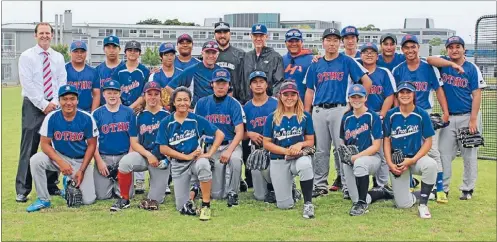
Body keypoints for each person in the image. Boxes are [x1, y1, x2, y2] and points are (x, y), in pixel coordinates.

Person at [303, 28, 372, 199]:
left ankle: (347, 185)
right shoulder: (315, 64)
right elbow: (310, 90)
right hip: (319, 109)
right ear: (323, 42)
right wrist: (306, 113)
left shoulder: (347, 61)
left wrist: (356, 104)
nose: (332, 43)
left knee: (342, 149)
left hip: (341, 108)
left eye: (335, 40)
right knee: (321, 150)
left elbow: (366, 81)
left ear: (339, 43)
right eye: (329, 40)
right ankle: (320, 185)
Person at [426, 36, 486, 201]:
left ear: (463, 49)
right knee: (444, 153)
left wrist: (473, 119)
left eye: (458, 46)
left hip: (468, 116)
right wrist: (451, 64)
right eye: (451, 47)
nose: (454, 50)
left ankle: (467, 189)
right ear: (447, 50)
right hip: (449, 117)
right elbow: (430, 59)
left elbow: (477, 94)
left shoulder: (471, 68)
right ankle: (443, 188)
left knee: (469, 154)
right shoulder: (444, 64)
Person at [392, 34, 450, 203]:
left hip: (424, 113)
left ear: (418, 48)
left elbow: (439, 90)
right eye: (406, 47)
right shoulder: (398, 69)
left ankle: (440, 189)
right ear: (402, 50)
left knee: (432, 151)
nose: (410, 50)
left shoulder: (428, 67)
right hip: (404, 114)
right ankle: (409, 184)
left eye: (413, 47)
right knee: (405, 148)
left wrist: (445, 111)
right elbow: (396, 95)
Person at [26, 85, 98, 212]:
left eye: (72, 99)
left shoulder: (87, 117)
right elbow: (44, 144)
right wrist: (61, 162)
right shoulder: (52, 117)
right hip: (59, 156)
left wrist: (82, 170)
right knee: (36, 160)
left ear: (77, 101)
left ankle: (68, 181)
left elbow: (92, 145)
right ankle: (43, 199)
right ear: (59, 101)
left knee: (88, 200)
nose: (68, 102)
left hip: (80, 160)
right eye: (64, 99)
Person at [157, 87, 225, 221]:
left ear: (190, 102)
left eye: (186, 100)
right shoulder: (166, 122)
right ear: (174, 103)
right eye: (179, 100)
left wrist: (210, 153)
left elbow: (220, 134)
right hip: (178, 164)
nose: (183, 103)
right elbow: (163, 149)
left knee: (204, 164)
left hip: (195, 160)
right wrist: (185, 156)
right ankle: (195, 189)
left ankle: (206, 206)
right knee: (181, 206)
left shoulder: (196, 119)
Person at [16, 22, 65, 203]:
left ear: (52, 35)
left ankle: (52, 185)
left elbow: (61, 80)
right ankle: (23, 189)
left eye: (48, 33)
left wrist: (53, 103)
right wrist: (42, 103)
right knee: (29, 147)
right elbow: (27, 83)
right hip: (33, 106)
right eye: (41, 33)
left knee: (54, 146)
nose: (45, 36)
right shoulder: (26, 56)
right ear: (35, 35)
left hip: (54, 106)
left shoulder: (58, 57)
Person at [110, 81, 171, 211]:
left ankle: (156, 182)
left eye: (156, 94)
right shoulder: (138, 116)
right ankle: (124, 198)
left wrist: (167, 158)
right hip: (144, 155)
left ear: (160, 96)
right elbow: (134, 143)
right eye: (149, 94)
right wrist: (148, 155)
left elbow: (172, 142)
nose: (153, 97)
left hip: (161, 159)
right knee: (125, 162)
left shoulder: (168, 116)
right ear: (144, 96)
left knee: (156, 200)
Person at [383, 82, 438, 219]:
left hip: (415, 159)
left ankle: (423, 204)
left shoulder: (422, 114)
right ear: (397, 95)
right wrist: (390, 164)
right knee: (403, 204)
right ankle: (417, 194)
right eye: (402, 92)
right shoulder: (391, 115)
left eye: (409, 92)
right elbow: (386, 141)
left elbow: (428, 141)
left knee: (431, 165)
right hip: (398, 162)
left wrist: (413, 160)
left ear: (414, 95)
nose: (405, 95)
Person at [263, 81, 315, 219]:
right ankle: (292, 190)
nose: (289, 98)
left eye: (293, 94)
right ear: (280, 96)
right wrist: (285, 151)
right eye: (286, 94)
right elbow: (266, 143)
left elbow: (311, 141)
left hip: (298, 157)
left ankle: (308, 203)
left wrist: (300, 144)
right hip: (279, 159)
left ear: (298, 96)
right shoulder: (272, 118)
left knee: (305, 164)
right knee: (284, 205)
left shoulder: (305, 116)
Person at [194, 69, 245, 207]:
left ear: (229, 85)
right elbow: (196, 130)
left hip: (230, 144)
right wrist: (200, 150)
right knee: (217, 194)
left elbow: (240, 132)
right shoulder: (202, 103)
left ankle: (233, 192)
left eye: (224, 83)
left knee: (235, 159)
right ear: (212, 84)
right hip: (212, 147)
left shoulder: (234, 104)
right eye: (218, 83)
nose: (221, 86)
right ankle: (200, 185)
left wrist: (229, 151)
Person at [340, 84, 393, 216]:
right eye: (353, 97)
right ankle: (379, 193)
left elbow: (376, 146)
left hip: (372, 159)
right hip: (352, 159)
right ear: (349, 99)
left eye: (359, 97)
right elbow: (342, 141)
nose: (356, 100)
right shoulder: (346, 117)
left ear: (365, 98)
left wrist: (356, 157)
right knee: (354, 198)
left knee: (360, 163)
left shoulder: (372, 116)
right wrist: (344, 153)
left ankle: (362, 204)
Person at [111, 40, 151, 193]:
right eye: (130, 50)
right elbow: (114, 90)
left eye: (136, 50)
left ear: (139, 53)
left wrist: (132, 107)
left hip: (137, 110)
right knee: (124, 141)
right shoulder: (119, 70)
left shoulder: (144, 70)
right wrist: (123, 108)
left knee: (139, 143)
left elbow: (145, 93)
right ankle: (122, 174)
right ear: (125, 52)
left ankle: (140, 179)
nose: (133, 52)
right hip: (122, 109)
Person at [358, 42, 396, 191]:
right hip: (361, 117)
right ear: (360, 55)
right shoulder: (356, 71)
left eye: (372, 52)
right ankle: (361, 182)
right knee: (361, 149)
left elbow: (390, 95)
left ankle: (381, 184)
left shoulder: (384, 72)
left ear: (377, 55)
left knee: (381, 151)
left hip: (380, 117)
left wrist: (382, 114)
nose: (369, 54)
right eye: (365, 52)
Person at [243, 71, 278, 203]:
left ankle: (283, 185)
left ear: (267, 85)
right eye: (255, 82)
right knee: (260, 196)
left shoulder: (276, 104)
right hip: (256, 152)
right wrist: (249, 134)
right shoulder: (246, 107)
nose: (258, 85)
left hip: (275, 149)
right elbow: (240, 133)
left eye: (261, 82)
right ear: (250, 86)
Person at [166, 41, 223, 108]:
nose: (210, 56)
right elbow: (169, 88)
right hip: (197, 110)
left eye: (213, 53)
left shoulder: (221, 71)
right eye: (207, 52)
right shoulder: (193, 69)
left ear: (218, 54)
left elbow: (228, 91)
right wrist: (183, 104)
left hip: (215, 111)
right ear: (202, 53)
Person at [243, 24, 285, 97]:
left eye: (261, 36)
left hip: (268, 103)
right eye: (255, 36)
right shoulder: (246, 57)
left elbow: (279, 82)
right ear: (251, 37)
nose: (258, 39)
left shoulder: (275, 57)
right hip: (248, 102)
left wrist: (272, 100)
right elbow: (242, 82)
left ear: (266, 37)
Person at [214, 22, 246, 104]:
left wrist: (242, 101)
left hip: (235, 101)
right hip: (213, 101)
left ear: (230, 34)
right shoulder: (209, 55)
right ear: (214, 35)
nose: (222, 35)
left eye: (225, 32)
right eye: (219, 32)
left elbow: (244, 80)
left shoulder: (240, 54)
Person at [65, 40, 100, 112]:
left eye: (82, 51)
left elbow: (96, 94)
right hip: (67, 112)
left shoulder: (93, 72)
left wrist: (93, 114)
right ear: (70, 53)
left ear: (86, 53)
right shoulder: (63, 69)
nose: (79, 54)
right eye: (76, 51)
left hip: (87, 111)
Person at [149, 42, 182, 112]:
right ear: (161, 56)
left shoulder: (182, 74)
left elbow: (188, 94)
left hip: (179, 111)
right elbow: (150, 97)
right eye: (166, 55)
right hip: (160, 112)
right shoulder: (154, 75)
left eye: (171, 55)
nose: (169, 57)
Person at [282, 28, 314, 100]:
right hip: (284, 105)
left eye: (297, 41)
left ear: (302, 42)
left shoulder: (312, 60)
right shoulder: (280, 60)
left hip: (303, 104)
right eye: (290, 41)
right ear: (285, 43)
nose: (294, 44)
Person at [96, 35, 124, 106]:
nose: (111, 50)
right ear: (104, 49)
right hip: (103, 109)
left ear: (119, 49)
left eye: (114, 47)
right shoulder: (97, 70)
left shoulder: (126, 68)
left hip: (124, 109)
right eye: (108, 47)